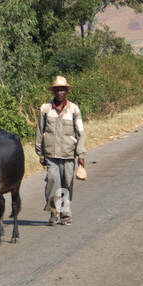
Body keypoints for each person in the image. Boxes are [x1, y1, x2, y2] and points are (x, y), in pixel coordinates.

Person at [35, 76, 86, 225]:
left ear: (66, 91)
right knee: (52, 181)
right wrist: (40, 153)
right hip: (51, 154)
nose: (60, 92)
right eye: (57, 89)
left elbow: (81, 132)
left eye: (62, 89)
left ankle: (65, 213)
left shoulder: (74, 109)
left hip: (69, 154)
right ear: (53, 91)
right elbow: (39, 131)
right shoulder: (45, 109)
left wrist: (81, 155)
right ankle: (53, 211)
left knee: (66, 183)